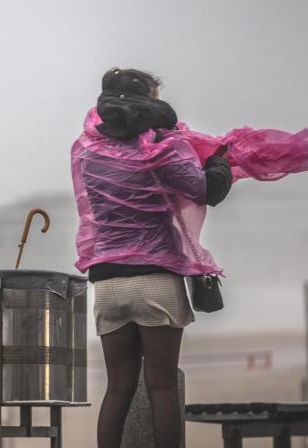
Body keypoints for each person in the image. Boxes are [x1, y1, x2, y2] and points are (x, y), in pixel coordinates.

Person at [72, 69, 233, 448]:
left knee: (117, 389)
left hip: (107, 282)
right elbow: (206, 190)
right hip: (155, 279)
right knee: (160, 386)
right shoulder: (160, 146)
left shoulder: (86, 149)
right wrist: (218, 160)